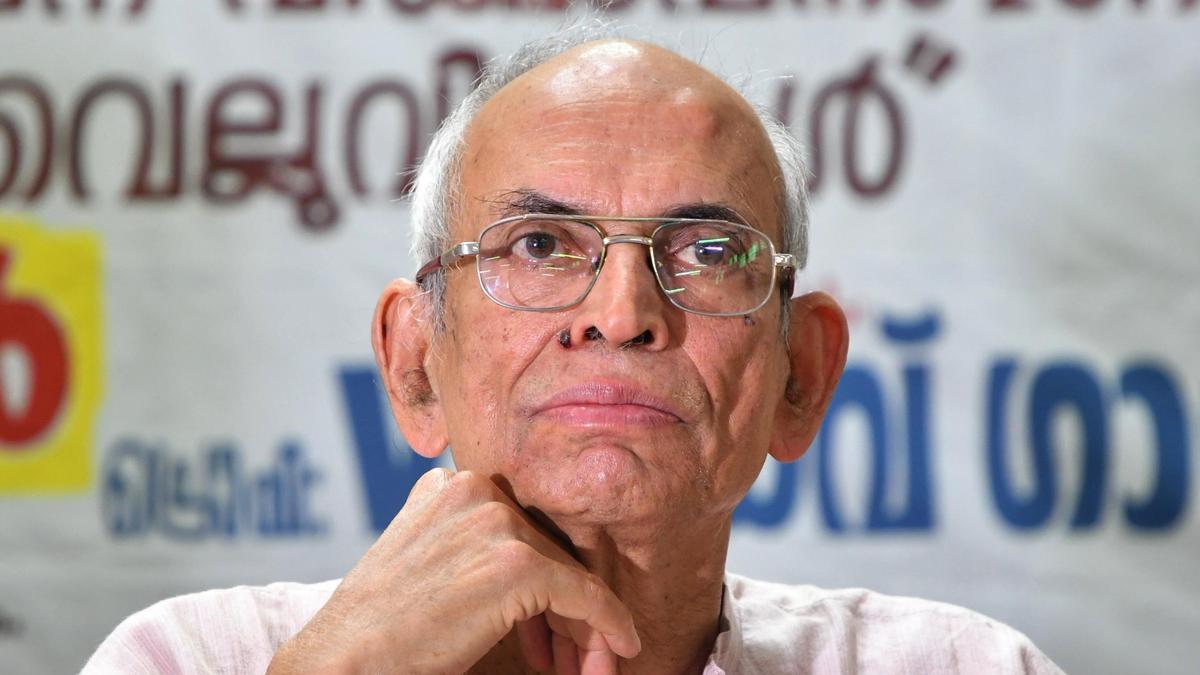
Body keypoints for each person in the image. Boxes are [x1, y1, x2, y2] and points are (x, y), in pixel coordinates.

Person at [84, 24, 1064, 675]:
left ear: (799, 377)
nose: (623, 311)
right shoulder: (197, 657)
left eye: (707, 250)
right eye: (540, 245)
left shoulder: (964, 665)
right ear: (415, 365)